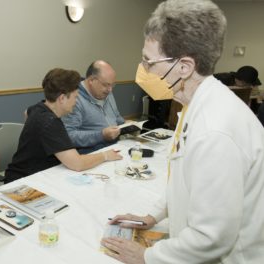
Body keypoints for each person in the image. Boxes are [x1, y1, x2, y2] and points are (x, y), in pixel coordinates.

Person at [102, 0, 264, 263]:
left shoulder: (215, 130)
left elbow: (211, 238)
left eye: (149, 61)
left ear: (184, 67)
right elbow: (184, 181)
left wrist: (146, 256)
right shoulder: (196, 105)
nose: (144, 70)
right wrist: (153, 216)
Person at [4, 68, 122, 183]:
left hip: (28, 173)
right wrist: (105, 155)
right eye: (75, 97)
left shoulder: (39, 108)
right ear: (62, 98)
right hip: (24, 181)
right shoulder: (50, 122)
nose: (76, 102)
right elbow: (78, 164)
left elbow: (26, 112)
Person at [62, 60, 133, 154]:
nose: (110, 90)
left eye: (112, 85)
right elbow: (69, 136)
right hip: (92, 153)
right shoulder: (74, 99)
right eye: (106, 85)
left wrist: (127, 125)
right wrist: (101, 135)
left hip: (115, 147)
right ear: (91, 80)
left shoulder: (107, 92)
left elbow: (117, 117)